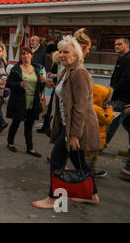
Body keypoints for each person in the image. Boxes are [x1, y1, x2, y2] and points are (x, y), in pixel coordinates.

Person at [31, 36, 101, 209]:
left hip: (75, 127)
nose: (62, 55)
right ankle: (92, 195)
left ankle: (53, 198)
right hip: (67, 124)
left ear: (76, 54)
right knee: (79, 162)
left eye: (66, 52)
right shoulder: (68, 70)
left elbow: (80, 107)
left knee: (56, 158)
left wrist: (74, 134)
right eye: (60, 51)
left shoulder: (79, 73)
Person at [5, 47, 44, 157]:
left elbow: (39, 86)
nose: (26, 56)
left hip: (33, 101)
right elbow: (8, 84)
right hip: (19, 101)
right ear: (21, 56)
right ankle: (10, 143)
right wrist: (19, 84)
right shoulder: (16, 69)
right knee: (16, 123)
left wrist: (43, 82)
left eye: (28, 54)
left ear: (31, 55)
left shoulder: (37, 68)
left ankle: (30, 148)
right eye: (23, 54)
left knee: (29, 125)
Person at [106, 38, 130, 157]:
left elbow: (126, 80)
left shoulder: (129, 60)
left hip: (125, 98)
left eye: (119, 44)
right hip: (126, 97)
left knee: (111, 122)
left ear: (127, 46)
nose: (116, 46)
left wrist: (114, 93)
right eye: (115, 44)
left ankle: (98, 146)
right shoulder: (122, 58)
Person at [90, 84, 114, 178]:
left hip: (95, 136)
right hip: (95, 137)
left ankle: (93, 171)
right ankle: (84, 172)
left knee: (94, 156)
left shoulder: (94, 106)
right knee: (89, 156)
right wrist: (109, 110)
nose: (105, 102)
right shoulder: (96, 109)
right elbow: (107, 120)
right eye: (105, 99)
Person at [37, 43, 59, 136]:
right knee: (50, 108)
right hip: (54, 85)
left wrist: (54, 75)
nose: (49, 56)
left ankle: (48, 128)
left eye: (50, 54)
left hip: (57, 87)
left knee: (52, 108)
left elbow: (62, 74)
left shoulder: (59, 61)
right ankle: (46, 127)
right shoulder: (55, 61)